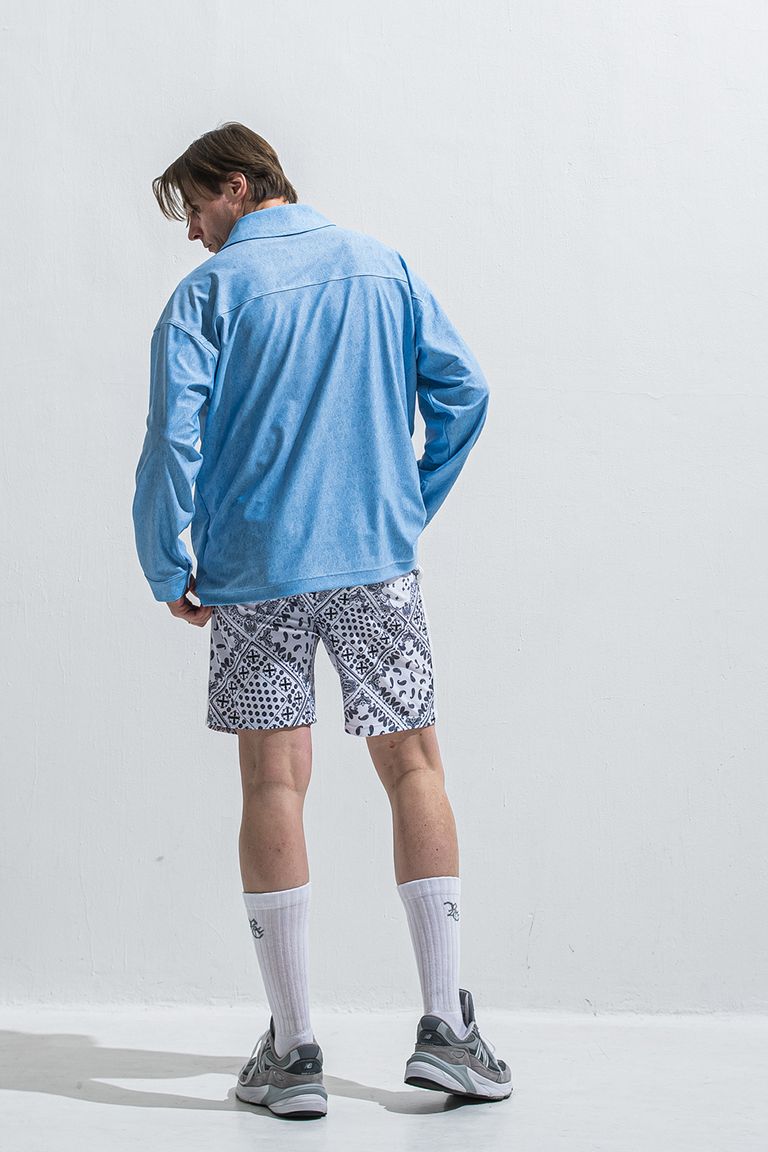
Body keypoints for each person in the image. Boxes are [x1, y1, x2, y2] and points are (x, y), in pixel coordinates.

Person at [132, 121, 512, 1119]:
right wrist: (404, 505)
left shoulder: (208, 296)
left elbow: (171, 441)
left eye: (195, 209)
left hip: (252, 569)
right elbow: (466, 391)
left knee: (272, 777)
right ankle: (447, 1032)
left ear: (239, 184)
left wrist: (166, 560)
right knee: (414, 765)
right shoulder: (382, 268)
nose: (192, 233)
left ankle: (294, 1050)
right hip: (374, 564)